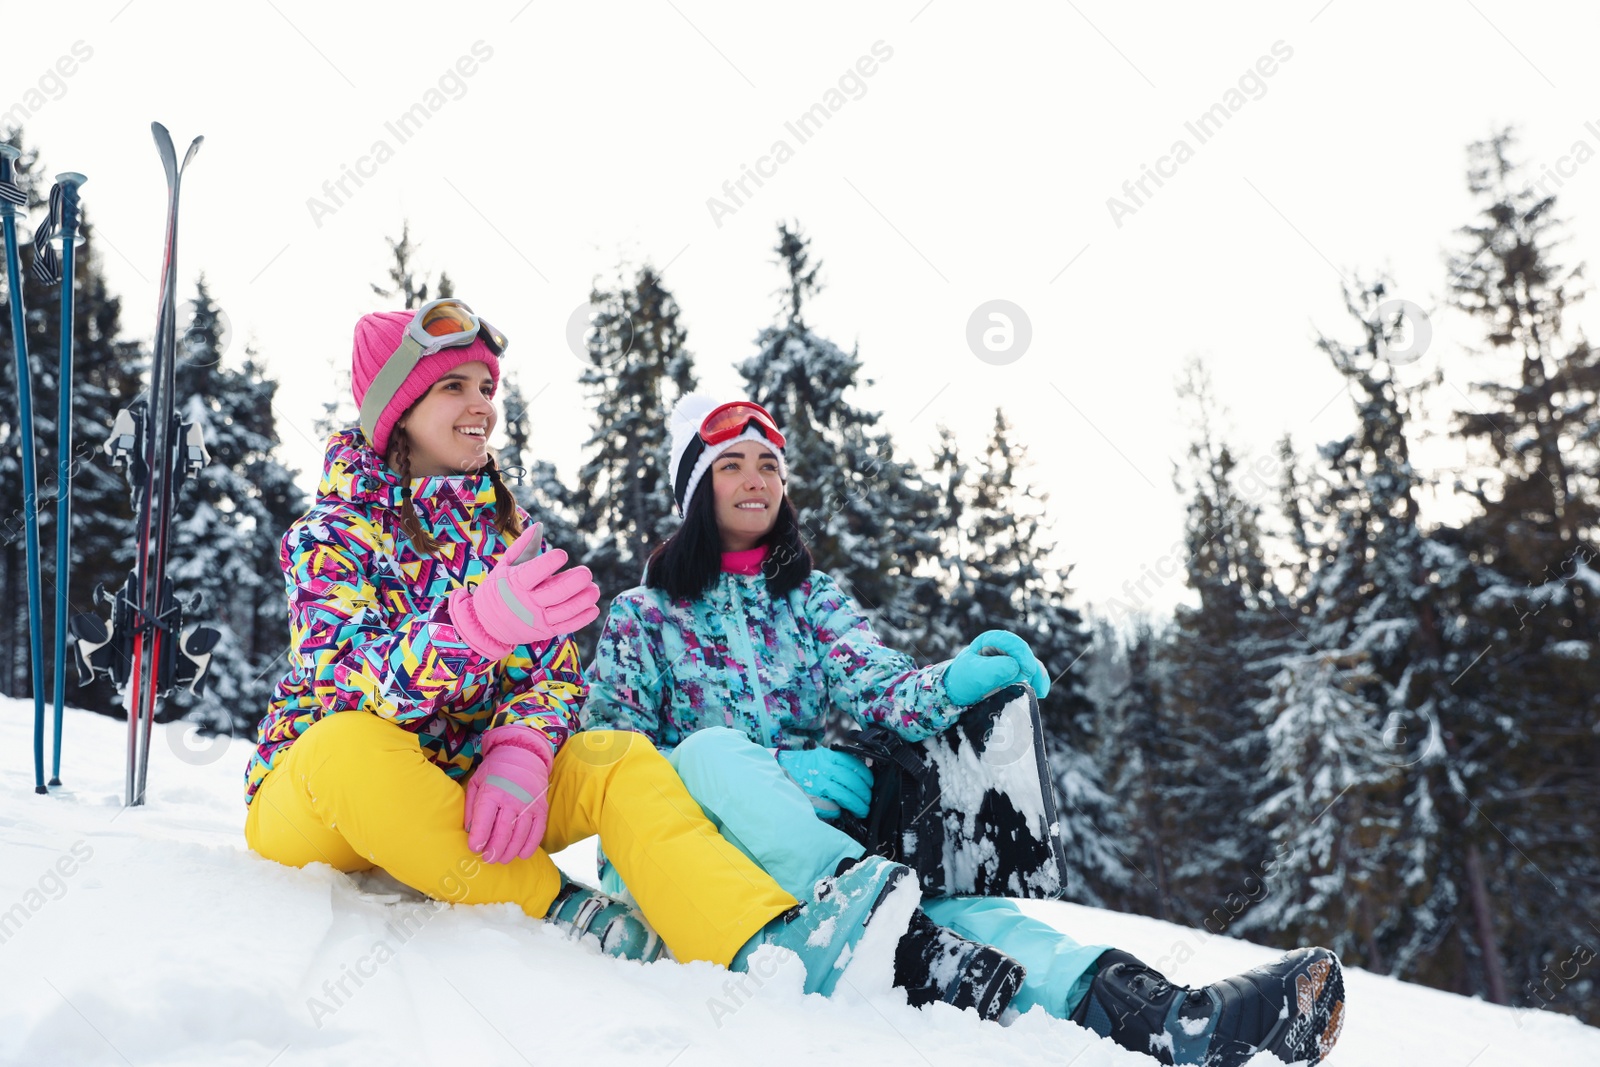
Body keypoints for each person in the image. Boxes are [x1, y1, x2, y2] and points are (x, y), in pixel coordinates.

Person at [581, 394, 1347, 1065]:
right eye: (731, 464)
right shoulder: (645, 616)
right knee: (713, 752)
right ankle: (858, 910)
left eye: (769, 464)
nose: (755, 478)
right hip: (704, 864)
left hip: (825, 857)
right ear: (695, 489)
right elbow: (611, 764)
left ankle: (1157, 1014)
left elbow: (880, 685)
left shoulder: (809, 600)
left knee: (964, 913)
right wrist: (769, 767)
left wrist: (955, 680)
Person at [242, 304, 926, 998]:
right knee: (344, 744)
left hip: (469, 796)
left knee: (618, 758)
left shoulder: (505, 534)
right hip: (323, 806)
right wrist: (470, 630)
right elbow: (342, 680)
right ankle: (559, 906)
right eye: (456, 386)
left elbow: (555, 676)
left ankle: (760, 939)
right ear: (395, 409)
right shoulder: (332, 533)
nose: (482, 404)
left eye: (488, 387)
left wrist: (524, 745)